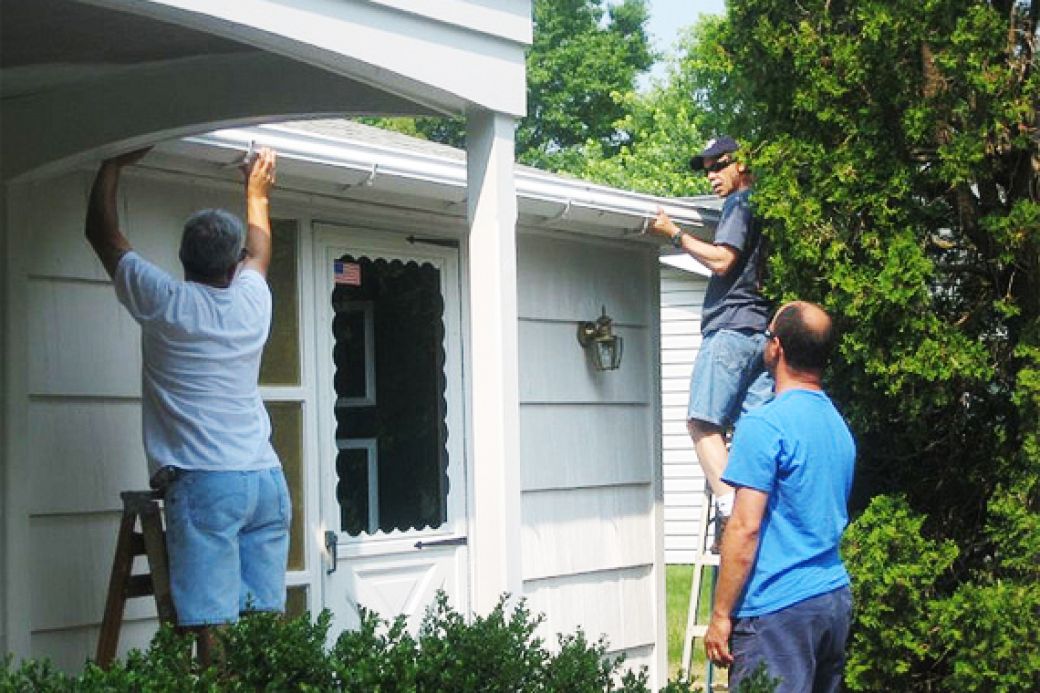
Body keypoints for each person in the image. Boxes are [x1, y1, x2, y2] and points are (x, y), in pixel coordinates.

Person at [85, 146, 290, 635]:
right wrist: (256, 190)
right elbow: (261, 251)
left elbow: (103, 235)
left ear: (182, 259)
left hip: (207, 483)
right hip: (264, 479)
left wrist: (111, 165)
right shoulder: (250, 301)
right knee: (263, 629)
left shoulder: (165, 302)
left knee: (211, 630)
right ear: (233, 265)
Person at [703, 301, 856, 692]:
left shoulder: (765, 425)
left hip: (777, 610)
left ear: (778, 348)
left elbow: (745, 527)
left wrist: (721, 615)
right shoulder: (836, 424)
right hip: (831, 599)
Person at [650, 135, 773, 546]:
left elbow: (723, 260)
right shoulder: (766, 205)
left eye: (719, 165)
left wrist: (674, 234)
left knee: (702, 424)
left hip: (730, 329)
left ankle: (732, 515)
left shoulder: (740, 203)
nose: (712, 176)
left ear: (740, 164)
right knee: (753, 431)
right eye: (707, 170)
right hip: (760, 332)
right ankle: (760, 511)